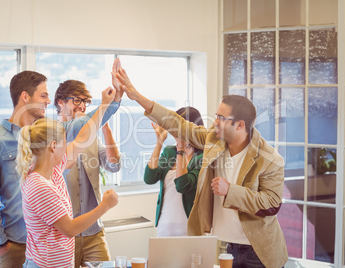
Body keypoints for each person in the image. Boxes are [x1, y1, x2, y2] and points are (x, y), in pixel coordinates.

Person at [114, 61, 288, 268]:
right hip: (224, 247)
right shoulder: (214, 140)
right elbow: (178, 124)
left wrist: (230, 191)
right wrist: (137, 96)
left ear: (240, 125)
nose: (215, 122)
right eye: (216, 116)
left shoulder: (270, 159)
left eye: (221, 118)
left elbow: (271, 204)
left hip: (258, 252)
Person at [0, 70, 121, 267]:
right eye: (43, 95)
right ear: (25, 97)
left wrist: (108, 105)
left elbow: (82, 134)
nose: (48, 101)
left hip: (42, 250)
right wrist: (1, 244)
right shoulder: (33, 177)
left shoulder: (52, 163)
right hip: (18, 246)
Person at [17, 87, 118, 268]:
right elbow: (69, 229)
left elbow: (83, 138)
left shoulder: (53, 170)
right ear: (53, 146)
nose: (68, 147)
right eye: (65, 142)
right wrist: (104, 206)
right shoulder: (39, 185)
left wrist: (104, 106)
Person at [54, 79, 121, 266]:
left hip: (94, 232)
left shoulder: (93, 137)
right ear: (60, 102)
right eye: (77, 100)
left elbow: (114, 166)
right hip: (64, 235)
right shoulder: (52, 138)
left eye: (85, 101)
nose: (82, 106)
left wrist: (105, 128)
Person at [144, 106, 203, 237]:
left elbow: (182, 185)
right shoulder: (169, 152)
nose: (173, 131)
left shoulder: (202, 157)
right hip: (164, 226)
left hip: (189, 229)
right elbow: (150, 178)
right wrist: (159, 144)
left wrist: (181, 149)